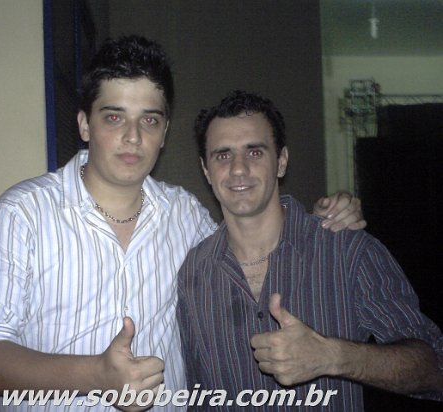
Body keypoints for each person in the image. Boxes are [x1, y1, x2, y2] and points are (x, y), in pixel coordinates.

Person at [0, 36, 364, 411]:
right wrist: (96, 375)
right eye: (114, 118)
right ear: (84, 124)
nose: (133, 137)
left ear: (164, 132)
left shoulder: (184, 214)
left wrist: (320, 218)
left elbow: (251, 246)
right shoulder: (21, 215)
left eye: (149, 120)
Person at [176, 90, 443, 411]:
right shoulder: (194, 272)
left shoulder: (346, 250)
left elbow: (434, 369)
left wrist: (332, 356)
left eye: (255, 151)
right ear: (206, 170)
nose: (238, 169)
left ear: (281, 161)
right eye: (223, 155)